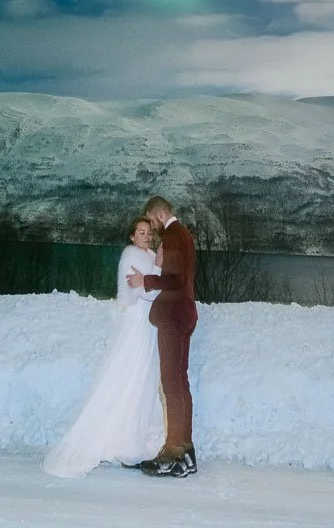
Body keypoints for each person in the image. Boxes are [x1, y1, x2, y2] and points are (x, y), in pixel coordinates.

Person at [42, 217, 165, 477]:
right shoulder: (130, 256)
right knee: (132, 378)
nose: (146, 236)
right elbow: (147, 292)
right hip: (137, 325)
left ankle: (139, 440)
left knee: (146, 381)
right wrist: (155, 276)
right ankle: (127, 445)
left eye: (148, 232)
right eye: (140, 232)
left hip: (150, 325)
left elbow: (154, 284)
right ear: (132, 236)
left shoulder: (150, 255)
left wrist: (155, 274)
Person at [127, 195, 197, 477]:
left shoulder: (172, 236)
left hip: (172, 316)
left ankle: (173, 453)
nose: (152, 231)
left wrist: (147, 280)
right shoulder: (185, 235)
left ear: (157, 214)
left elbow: (175, 281)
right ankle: (186, 452)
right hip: (185, 314)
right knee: (180, 383)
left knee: (171, 383)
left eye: (151, 222)